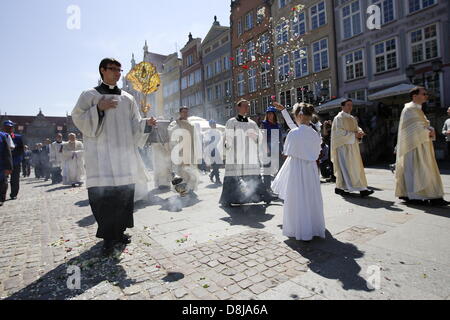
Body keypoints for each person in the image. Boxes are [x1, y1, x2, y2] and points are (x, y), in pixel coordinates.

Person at [71, 58, 157, 255]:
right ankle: (108, 238)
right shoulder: (89, 95)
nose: (118, 73)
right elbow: (78, 118)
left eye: (120, 70)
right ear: (102, 70)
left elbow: (135, 124)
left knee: (124, 198)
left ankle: (119, 232)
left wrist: (146, 123)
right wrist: (98, 109)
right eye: (113, 69)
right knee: (104, 199)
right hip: (100, 159)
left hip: (124, 158)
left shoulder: (128, 98)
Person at [271, 103, 325, 241]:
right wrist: (283, 111)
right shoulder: (314, 133)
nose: (294, 119)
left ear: (300, 116)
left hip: (297, 168)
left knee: (297, 197)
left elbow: (287, 151)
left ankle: (299, 228)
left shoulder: (294, 133)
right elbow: (317, 150)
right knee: (311, 196)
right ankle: (312, 226)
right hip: (311, 169)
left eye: (295, 116)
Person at [395, 87, 447, 206]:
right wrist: (427, 131)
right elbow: (410, 130)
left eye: (426, 94)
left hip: (423, 145)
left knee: (428, 170)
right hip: (413, 146)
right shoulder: (408, 109)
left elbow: (423, 125)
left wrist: (431, 129)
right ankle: (415, 196)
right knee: (416, 171)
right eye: (424, 94)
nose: (426, 96)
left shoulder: (418, 109)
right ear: (414, 96)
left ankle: (434, 196)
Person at [219, 99, 274, 206]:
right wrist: (227, 146)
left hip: (250, 155)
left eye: (247, 106)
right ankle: (229, 199)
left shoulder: (252, 123)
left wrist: (256, 138)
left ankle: (262, 196)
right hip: (235, 155)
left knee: (253, 176)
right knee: (234, 177)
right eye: (244, 106)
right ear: (238, 107)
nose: (246, 108)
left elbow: (260, 138)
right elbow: (227, 138)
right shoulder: (231, 122)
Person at [330, 99, 374, 197]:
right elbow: (338, 134)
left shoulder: (352, 118)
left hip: (353, 147)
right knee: (346, 168)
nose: (350, 107)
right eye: (348, 105)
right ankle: (359, 189)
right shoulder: (338, 118)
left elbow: (356, 128)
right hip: (343, 148)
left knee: (355, 167)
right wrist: (354, 134)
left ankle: (342, 188)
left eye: (351, 105)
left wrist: (360, 132)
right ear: (342, 106)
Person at [168, 107, 201, 196]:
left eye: (187, 112)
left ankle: (190, 188)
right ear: (180, 113)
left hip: (191, 151)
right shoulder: (175, 123)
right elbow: (171, 135)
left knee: (191, 171)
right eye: (183, 112)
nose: (185, 114)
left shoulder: (191, 124)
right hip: (181, 151)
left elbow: (196, 139)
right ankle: (182, 190)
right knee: (182, 172)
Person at [260, 106, 282, 195]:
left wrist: (282, 149)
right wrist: (266, 148)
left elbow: (280, 138)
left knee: (278, 169)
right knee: (267, 170)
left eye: (271, 114)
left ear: (274, 114)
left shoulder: (278, 124)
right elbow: (262, 137)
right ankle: (267, 188)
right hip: (267, 149)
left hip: (277, 149)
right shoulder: (264, 124)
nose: (269, 115)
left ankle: (277, 187)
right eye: (268, 114)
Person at [3, 120, 24, 200]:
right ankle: (2, 195)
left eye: (10, 127)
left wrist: (13, 156)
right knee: (3, 179)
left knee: (15, 179)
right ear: (3, 128)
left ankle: (13, 194)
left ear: (12, 128)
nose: (8, 129)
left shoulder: (18, 137)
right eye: (7, 127)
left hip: (15, 161)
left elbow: (21, 150)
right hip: (4, 161)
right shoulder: (1, 137)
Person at [149, 119, 172, 191]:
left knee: (163, 166)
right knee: (160, 166)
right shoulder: (155, 134)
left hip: (163, 146)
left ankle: (164, 183)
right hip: (159, 147)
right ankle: (162, 183)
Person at [204, 120, 222, 184]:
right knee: (215, 164)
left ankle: (212, 174)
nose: (215, 125)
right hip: (211, 149)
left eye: (215, 124)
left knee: (219, 163)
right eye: (213, 124)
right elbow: (206, 142)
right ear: (210, 125)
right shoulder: (208, 132)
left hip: (216, 149)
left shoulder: (217, 132)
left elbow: (220, 140)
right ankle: (218, 179)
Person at [0, 131, 13, 206]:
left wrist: (9, 166)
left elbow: (7, 152)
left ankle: (1, 198)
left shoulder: (2, 136)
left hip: (1, 165)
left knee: (2, 182)